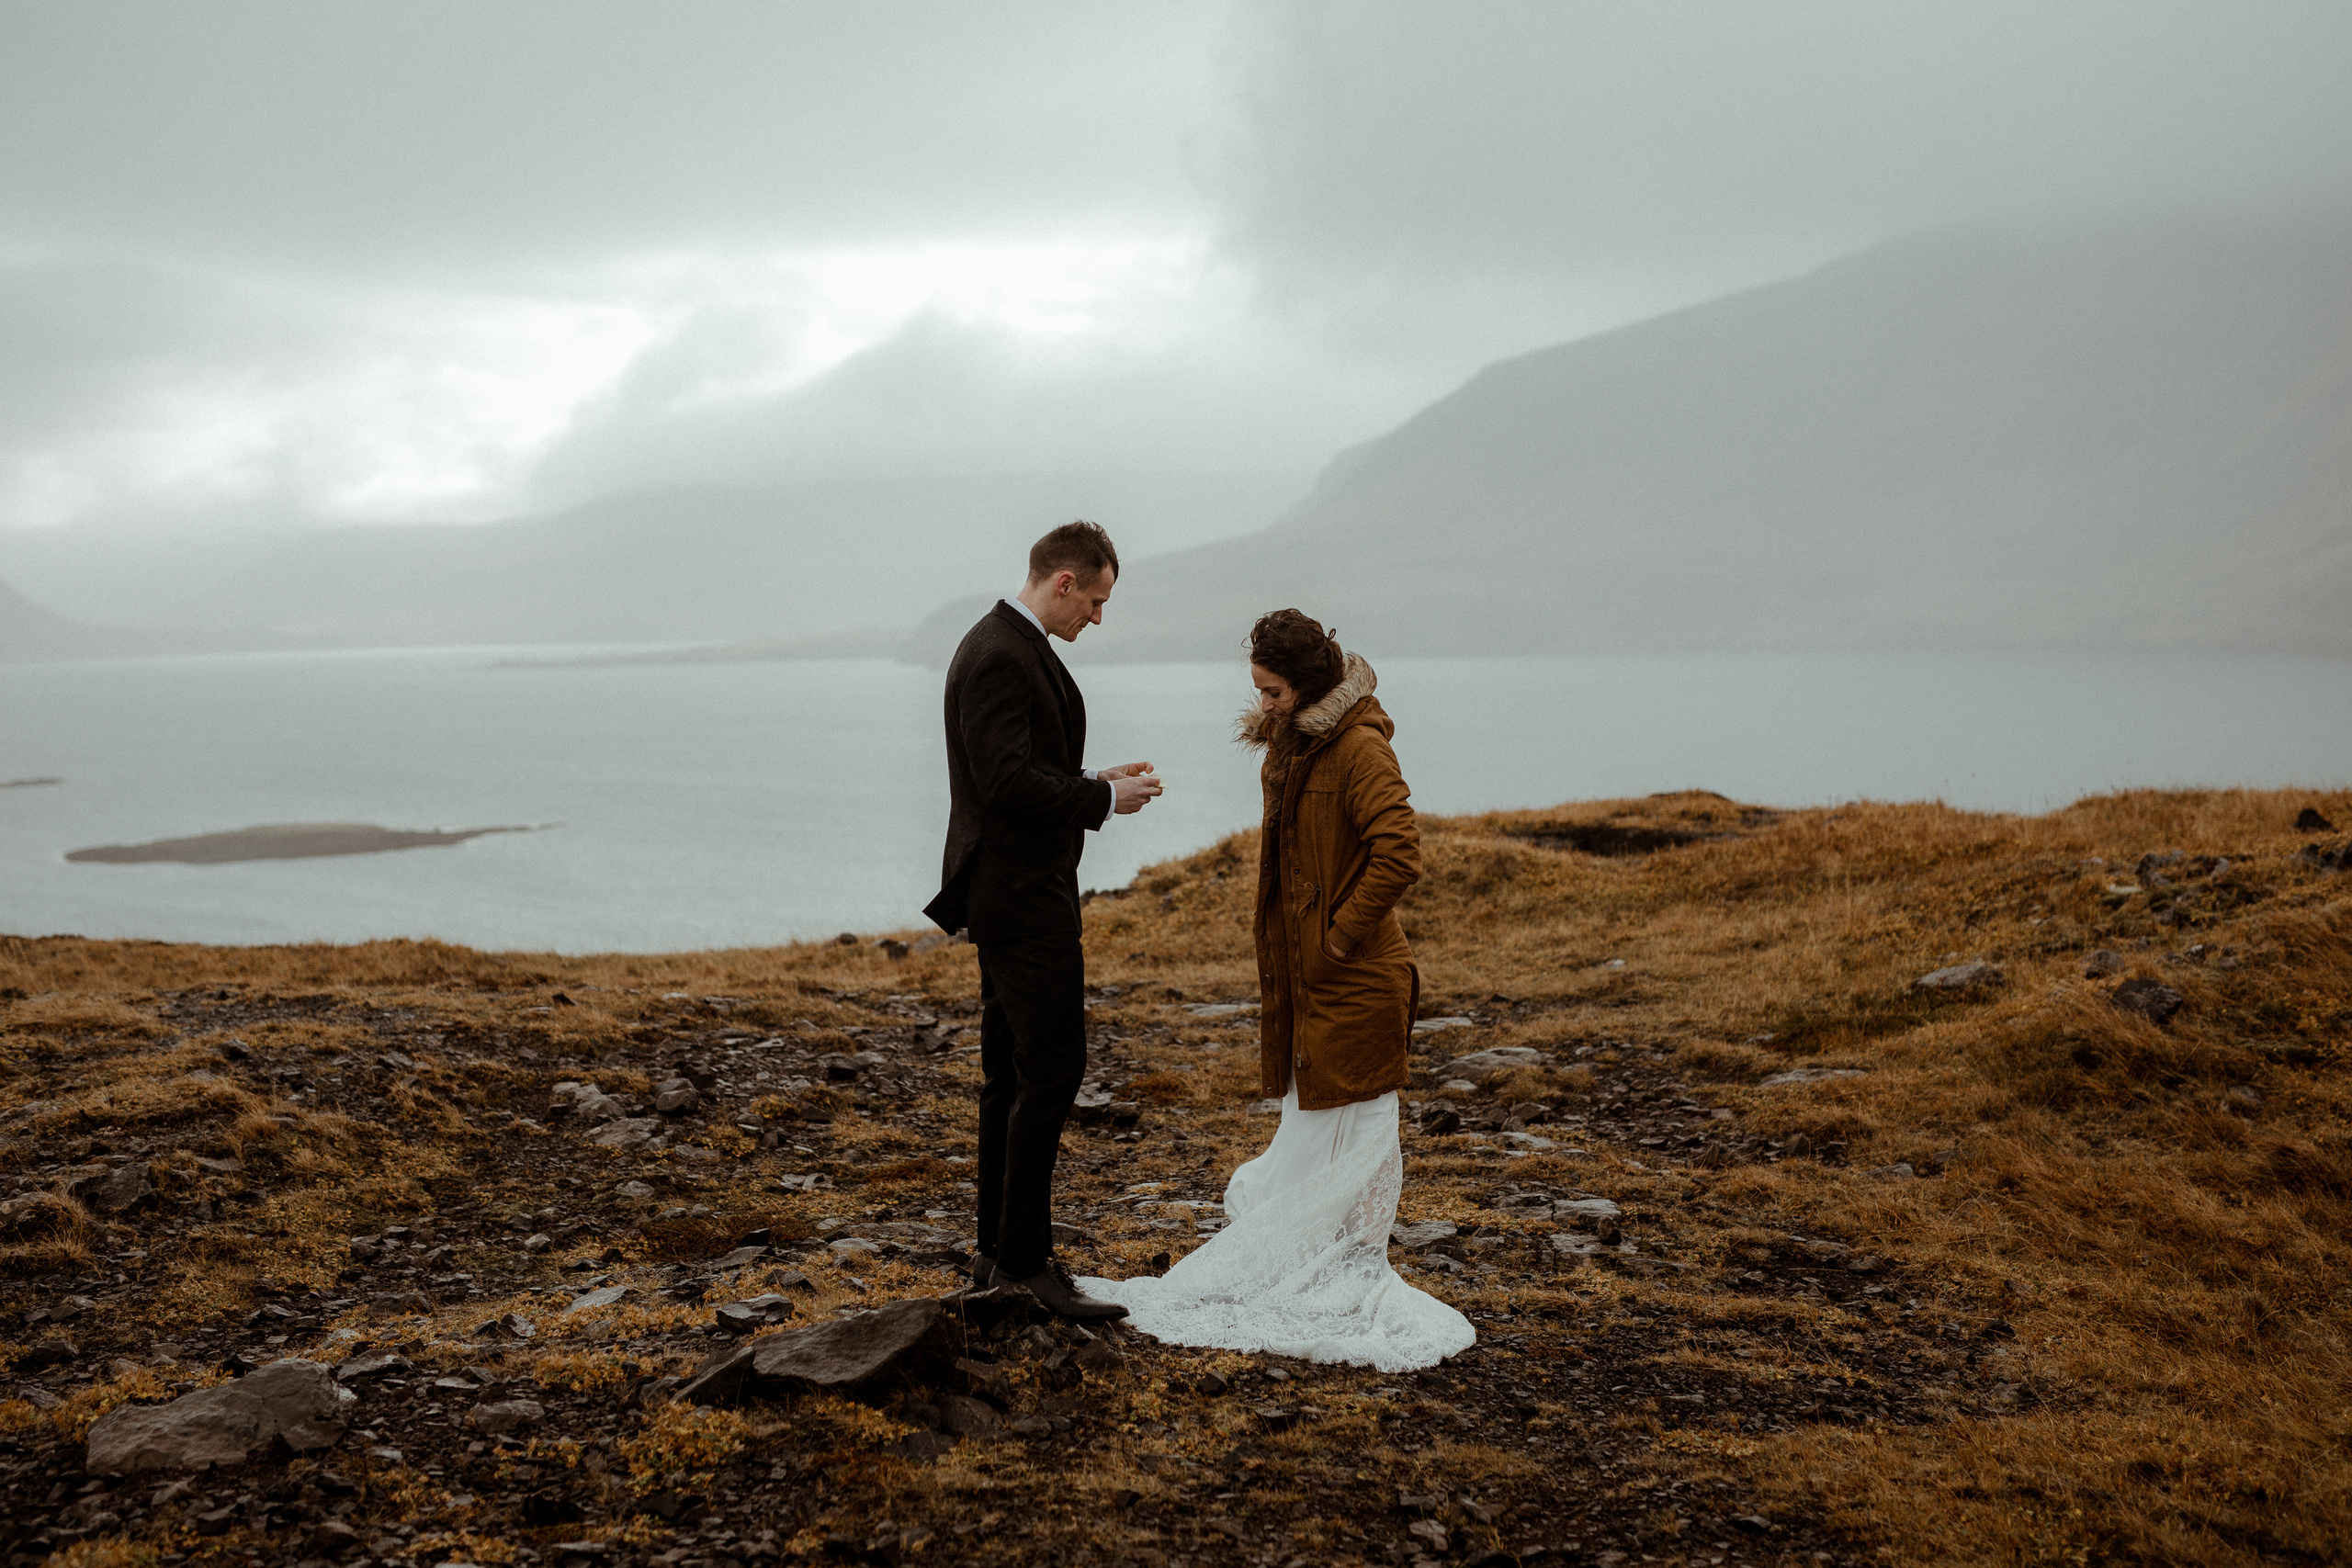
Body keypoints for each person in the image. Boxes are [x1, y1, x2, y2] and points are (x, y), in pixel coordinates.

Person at [1083, 610, 1474, 1371]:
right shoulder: (1297, 747)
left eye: (1271, 690)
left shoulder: (1359, 748)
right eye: (1256, 690)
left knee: (1360, 1133)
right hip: (1313, 982)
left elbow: (1399, 852)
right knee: (1311, 1127)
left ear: (1307, 685)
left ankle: (1354, 1267)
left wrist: (1334, 937)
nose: (1262, 704)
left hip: (1356, 980)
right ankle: (1329, 1261)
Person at [924, 521, 1161, 1321]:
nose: (1097, 617)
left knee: (1011, 1075)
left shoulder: (1009, 644)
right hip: (1022, 899)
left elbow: (1026, 767)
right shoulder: (998, 652)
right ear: (1063, 581)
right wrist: (1100, 800)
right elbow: (1004, 785)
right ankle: (1023, 1263)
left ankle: (999, 1250)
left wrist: (1093, 776)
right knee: (1052, 1071)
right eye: (1094, 601)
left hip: (1013, 893)